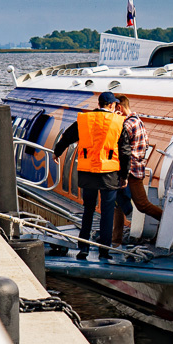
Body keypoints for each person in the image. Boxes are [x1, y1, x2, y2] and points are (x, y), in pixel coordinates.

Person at [53, 91, 131, 260]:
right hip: (109, 174)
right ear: (111, 106)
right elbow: (125, 152)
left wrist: (56, 152)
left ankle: (84, 249)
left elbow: (67, 137)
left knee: (88, 210)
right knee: (107, 212)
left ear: (99, 104)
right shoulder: (118, 122)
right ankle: (104, 251)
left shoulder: (84, 120)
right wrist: (124, 176)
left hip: (87, 172)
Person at [110, 94, 163, 245]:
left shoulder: (126, 125)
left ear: (119, 107)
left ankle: (169, 222)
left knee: (141, 204)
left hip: (129, 170)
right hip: (136, 168)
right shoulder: (138, 121)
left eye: (114, 108)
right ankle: (116, 239)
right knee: (118, 204)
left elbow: (121, 149)